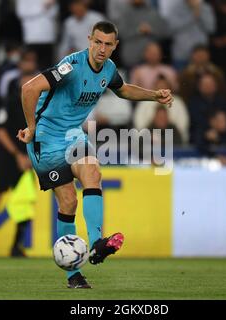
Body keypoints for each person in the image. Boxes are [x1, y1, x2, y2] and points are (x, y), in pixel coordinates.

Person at [17, 21, 173, 289]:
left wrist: (154, 96)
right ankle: (72, 275)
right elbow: (29, 89)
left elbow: (123, 89)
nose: (102, 49)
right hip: (46, 137)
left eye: (108, 44)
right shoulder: (70, 67)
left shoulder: (109, 69)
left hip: (72, 135)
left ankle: (97, 242)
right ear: (89, 40)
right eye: (97, 42)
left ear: (115, 46)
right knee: (68, 203)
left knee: (92, 170)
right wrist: (31, 128)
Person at [0, 73, 35, 258]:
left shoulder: (41, 104)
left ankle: (15, 247)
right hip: (6, 158)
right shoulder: (10, 102)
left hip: (25, 160)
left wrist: (31, 156)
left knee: (25, 201)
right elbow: (0, 131)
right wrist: (17, 154)